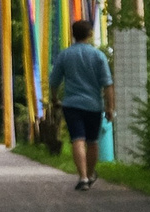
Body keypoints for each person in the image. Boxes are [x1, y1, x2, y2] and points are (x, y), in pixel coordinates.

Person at [48, 17, 115, 191]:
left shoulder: (65, 54)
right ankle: (90, 174)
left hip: (71, 104)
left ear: (73, 34)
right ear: (90, 34)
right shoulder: (98, 55)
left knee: (77, 139)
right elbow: (107, 84)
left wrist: (54, 99)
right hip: (94, 105)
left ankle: (83, 177)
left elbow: (54, 81)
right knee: (92, 141)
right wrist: (110, 107)